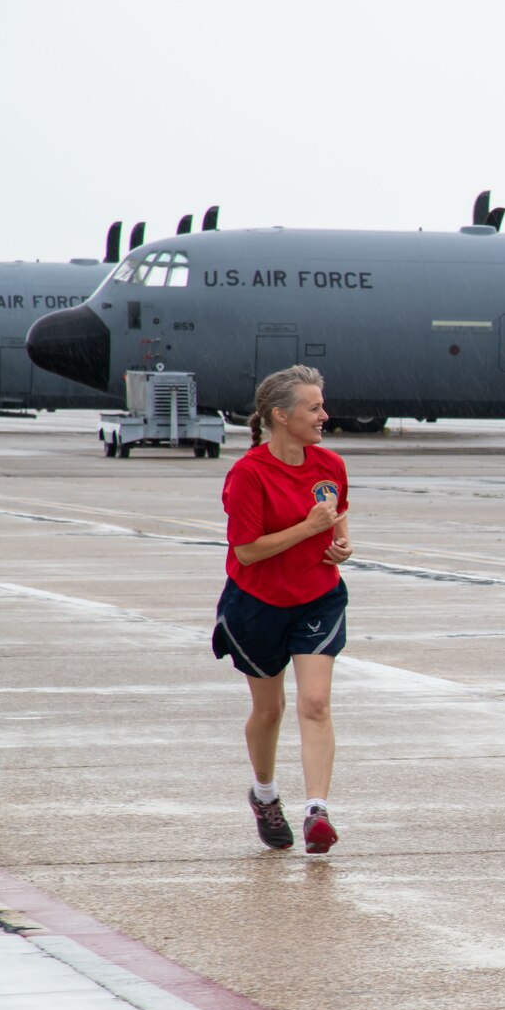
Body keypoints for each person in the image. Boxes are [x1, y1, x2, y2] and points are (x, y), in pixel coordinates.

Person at [212, 366, 351, 855]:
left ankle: (317, 810)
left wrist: (341, 544)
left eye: (321, 405)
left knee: (315, 703)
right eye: (313, 407)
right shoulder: (248, 474)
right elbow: (247, 551)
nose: (323, 415)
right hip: (257, 604)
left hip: (317, 596)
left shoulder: (330, 464)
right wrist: (308, 527)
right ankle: (266, 795)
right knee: (269, 709)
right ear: (280, 415)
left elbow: (337, 516)